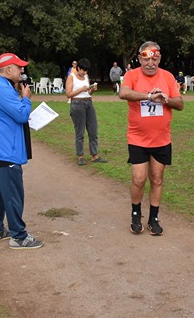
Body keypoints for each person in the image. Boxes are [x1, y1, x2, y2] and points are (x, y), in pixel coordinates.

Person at [119, 41, 183, 236]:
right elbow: (123, 92)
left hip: (162, 139)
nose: (150, 63)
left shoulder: (168, 77)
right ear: (139, 59)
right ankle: (135, 214)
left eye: (154, 59)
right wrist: (148, 96)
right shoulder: (132, 75)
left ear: (159, 59)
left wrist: (166, 99)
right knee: (139, 179)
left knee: (157, 179)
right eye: (146, 59)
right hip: (138, 138)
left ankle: (153, 218)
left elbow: (180, 104)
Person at [0, 53, 43, 250]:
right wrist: (26, 99)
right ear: (8, 70)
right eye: (19, 67)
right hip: (5, 150)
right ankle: (18, 236)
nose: (22, 70)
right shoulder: (3, 89)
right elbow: (21, 114)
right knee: (12, 195)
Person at [65, 58, 107, 166]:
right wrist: (81, 90)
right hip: (77, 104)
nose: (85, 73)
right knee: (80, 131)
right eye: (83, 70)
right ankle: (80, 156)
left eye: (86, 71)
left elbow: (87, 92)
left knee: (93, 130)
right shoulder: (71, 77)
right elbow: (68, 94)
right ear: (78, 68)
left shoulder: (86, 77)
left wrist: (92, 89)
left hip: (88, 103)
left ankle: (95, 155)